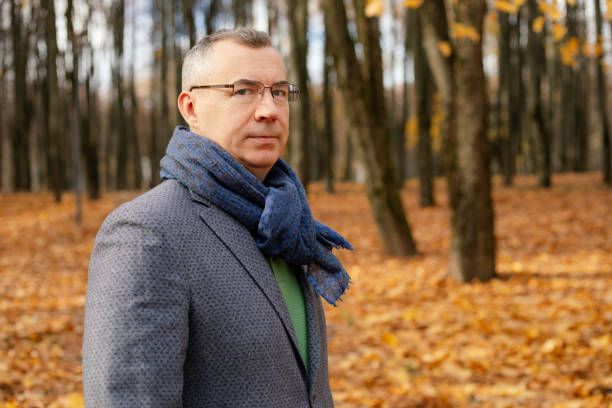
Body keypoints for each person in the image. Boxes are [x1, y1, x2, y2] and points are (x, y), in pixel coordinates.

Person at [82, 27, 353, 407]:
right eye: (243, 91)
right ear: (191, 107)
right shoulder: (146, 233)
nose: (269, 110)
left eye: (279, 91)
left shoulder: (286, 223)